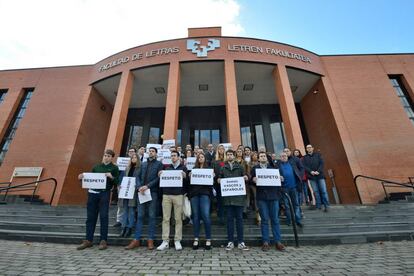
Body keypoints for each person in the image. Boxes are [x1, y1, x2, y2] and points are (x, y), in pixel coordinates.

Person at [77, 149, 120, 250]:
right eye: (105, 155)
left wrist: (111, 177)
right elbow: (89, 179)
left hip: (104, 193)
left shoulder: (114, 168)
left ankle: (103, 240)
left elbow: (117, 182)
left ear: (112, 158)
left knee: (104, 216)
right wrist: (81, 177)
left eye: (109, 156)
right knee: (90, 217)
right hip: (92, 194)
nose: (106, 157)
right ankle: (88, 240)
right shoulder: (96, 167)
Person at [125, 147, 163, 250]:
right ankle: (136, 240)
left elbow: (158, 178)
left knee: (151, 216)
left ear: (156, 154)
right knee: (140, 216)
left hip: (152, 192)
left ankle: (150, 240)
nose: (151, 153)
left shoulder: (159, 164)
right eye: (149, 151)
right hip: (141, 192)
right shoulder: (143, 164)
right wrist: (139, 187)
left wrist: (148, 186)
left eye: (153, 151)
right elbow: (137, 177)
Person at [251, 152, 285, 251]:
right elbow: (250, 181)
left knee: (275, 219)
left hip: (273, 196)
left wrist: (281, 178)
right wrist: (253, 179)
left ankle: (278, 241)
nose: (262, 157)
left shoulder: (274, 168)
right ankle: (265, 242)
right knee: (264, 220)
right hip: (261, 197)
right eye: (260, 156)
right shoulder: (255, 169)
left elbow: (280, 180)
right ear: (258, 159)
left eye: (264, 156)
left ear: (267, 158)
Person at [218, 150, 249, 251]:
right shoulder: (223, 167)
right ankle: (230, 241)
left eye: (231, 154)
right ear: (226, 156)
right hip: (228, 199)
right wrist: (218, 179)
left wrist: (245, 177)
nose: (230, 156)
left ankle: (241, 242)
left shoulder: (240, 167)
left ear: (234, 156)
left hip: (239, 198)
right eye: (228, 154)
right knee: (229, 220)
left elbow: (245, 175)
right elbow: (219, 177)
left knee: (239, 220)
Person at [157, 150, 188, 251]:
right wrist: (160, 174)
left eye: (175, 155)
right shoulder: (167, 168)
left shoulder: (183, 168)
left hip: (178, 195)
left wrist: (185, 176)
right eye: (172, 156)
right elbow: (161, 180)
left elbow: (188, 182)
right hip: (166, 195)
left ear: (179, 157)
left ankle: (177, 240)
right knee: (166, 218)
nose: (173, 157)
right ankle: (165, 241)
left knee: (178, 219)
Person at [188, 152, 213, 250]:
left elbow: (211, 184)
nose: (201, 158)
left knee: (206, 216)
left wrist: (213, 177)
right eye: (199, 157)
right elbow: (190, 184)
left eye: (202, 157)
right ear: (197, 159)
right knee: (196, 217)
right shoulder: (194, 170)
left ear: (205, 159)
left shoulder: (209, 170)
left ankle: (208, 239)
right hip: (194, 195)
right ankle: (196, 238)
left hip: (205, 195)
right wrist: (190, 176)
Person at [118, 153, 140, 238]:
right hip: (125, 191)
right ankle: (123, 227)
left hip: (133, 192)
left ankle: (129, 228)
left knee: (131, 210)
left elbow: (139, 179)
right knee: (125, 210)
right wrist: (119, 186)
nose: (133, 159)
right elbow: (121, 179)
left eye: (135, 157)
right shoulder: (126, 168)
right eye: (132, 157)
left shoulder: (139, 169)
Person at [278, 152, 303, 228]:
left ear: (287, 157)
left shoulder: (292, 164)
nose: (284, 157)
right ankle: (289, 220)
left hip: (294, 188)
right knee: (287, 205)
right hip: (284, 188)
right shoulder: (278, 166)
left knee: (296, 204)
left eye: (285, 156)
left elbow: (299, 172)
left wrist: (300, 178)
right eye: (282, 156)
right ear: (280, 158)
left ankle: (298, 220)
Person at [114, 147, 137, 228]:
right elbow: (120, 176)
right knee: (122, 206)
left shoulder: (139, 166)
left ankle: (130, 224)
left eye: (133, 152)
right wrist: (119, 185)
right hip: (124, 188)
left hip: (133, 189)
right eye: (130, 152)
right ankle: (121, 223)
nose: (133, 158)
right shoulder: (124, 165)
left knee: (131, 207)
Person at [302, 144, 330, 212]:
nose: (309, 148)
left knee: (323, 191)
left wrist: (318, 171)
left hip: (320, 176)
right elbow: (304, 166)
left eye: (310, 147)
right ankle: (318, 205)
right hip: (311, 177)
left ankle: (326, 205)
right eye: (307, 148)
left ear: (312, 148)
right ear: (306, 149)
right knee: (315, 191)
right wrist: (311, 171)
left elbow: (322, 163)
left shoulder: (318, 155)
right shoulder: (305, 157)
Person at [212, 144, 226, 224]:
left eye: (222, 149)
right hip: (218, 183)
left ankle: (226, 217)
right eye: (219, 149)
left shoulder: (227, 160)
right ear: (217, 150)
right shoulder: (214, 161)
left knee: (226, 201)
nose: (221, 150)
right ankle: (221, 218)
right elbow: (213, 171)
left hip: (227, 183)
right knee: (220, 200)